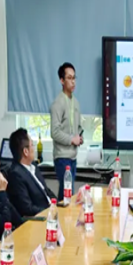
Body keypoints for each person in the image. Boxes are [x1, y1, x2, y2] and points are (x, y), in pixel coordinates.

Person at [50, 62, 82, 201]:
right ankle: (62, 220)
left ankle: (60, 218)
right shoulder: (58, 103)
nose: (73, 81)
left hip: (73, 156)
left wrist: (80, 137)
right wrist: (71, 139)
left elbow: (78, 128)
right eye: (69, 78)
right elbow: (54, 132)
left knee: (67, 194)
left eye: (74, 77)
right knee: (67, 194)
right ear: (62, 81)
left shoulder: (76, 102)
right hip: (62, 157)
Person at [6, 128, 55, 218]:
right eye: (32, 145)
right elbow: (27, 208)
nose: (34, 148)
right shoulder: (16, 174)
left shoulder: (33, 166)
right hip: (40, 219)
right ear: (26, 151)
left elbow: (46, 190)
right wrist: (49, 211)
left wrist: (57, 204)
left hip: (51, 212)